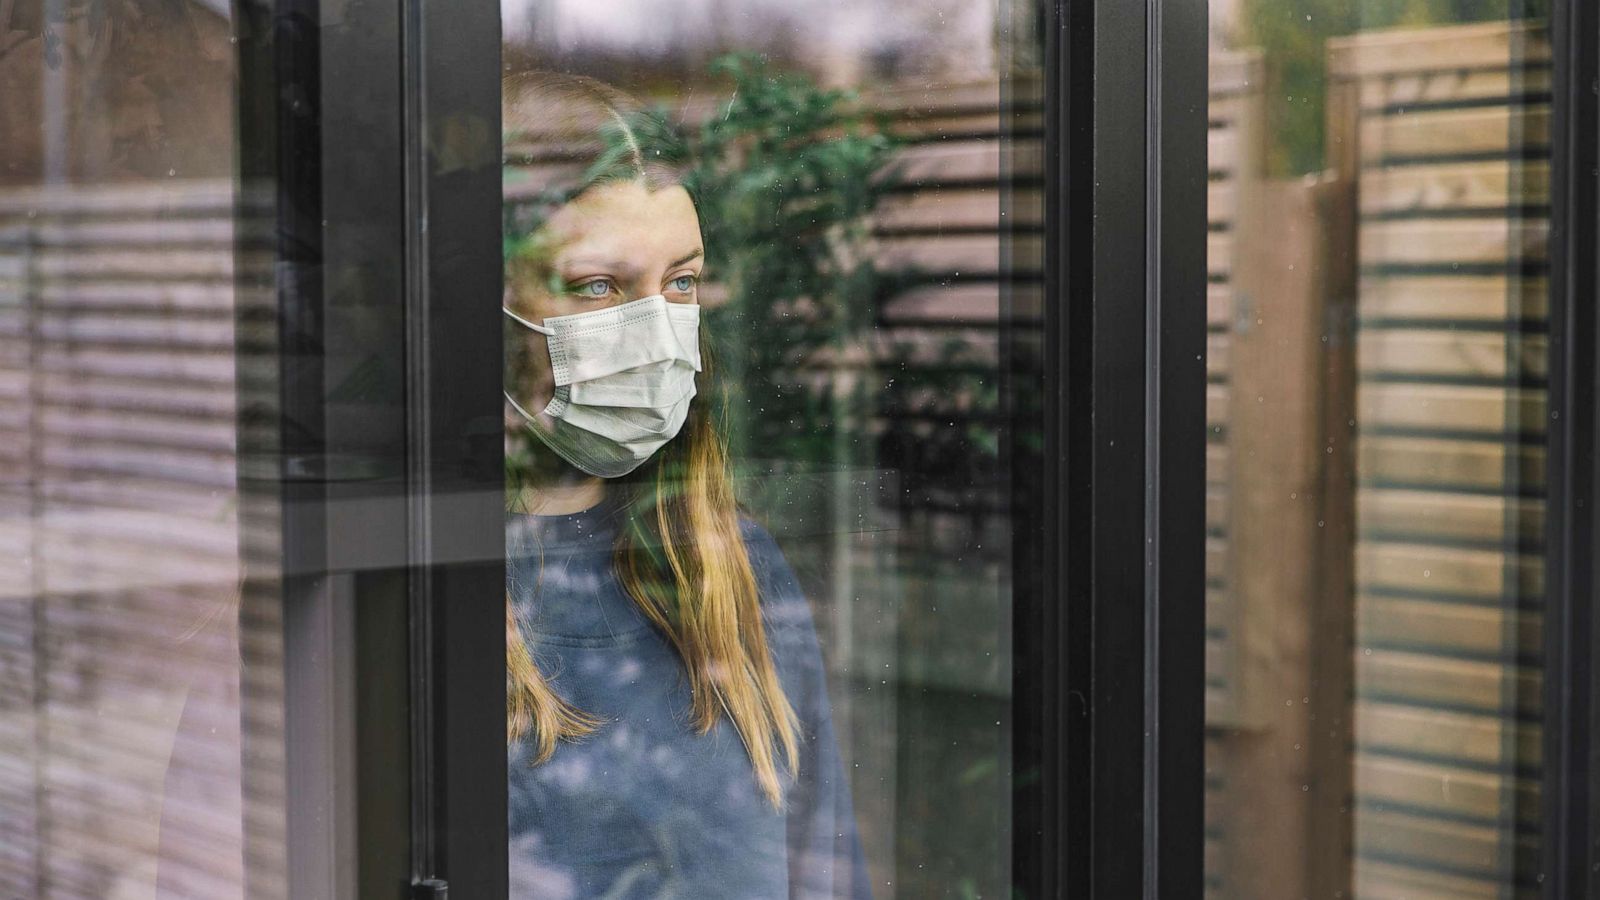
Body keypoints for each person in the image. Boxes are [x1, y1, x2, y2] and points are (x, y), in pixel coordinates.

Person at [502, 71, 872, 900]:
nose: (655, 328)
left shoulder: (728, 562)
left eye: (681, 283)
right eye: (599, 285)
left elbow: (825, 870)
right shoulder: (403, 590)